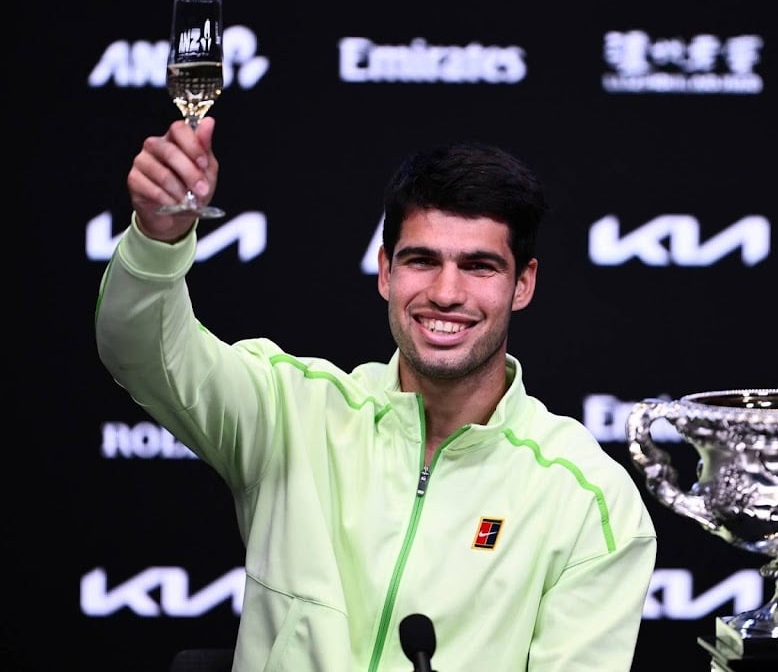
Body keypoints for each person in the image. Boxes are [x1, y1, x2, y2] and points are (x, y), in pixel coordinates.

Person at [96, 116, 658, 671]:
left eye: (479, 266)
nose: (446, 292)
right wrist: (156, 240)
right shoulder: (291, 411)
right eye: (422, 260)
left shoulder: (589, 500)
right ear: (386, 270)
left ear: (524, 284)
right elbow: (139, 350)